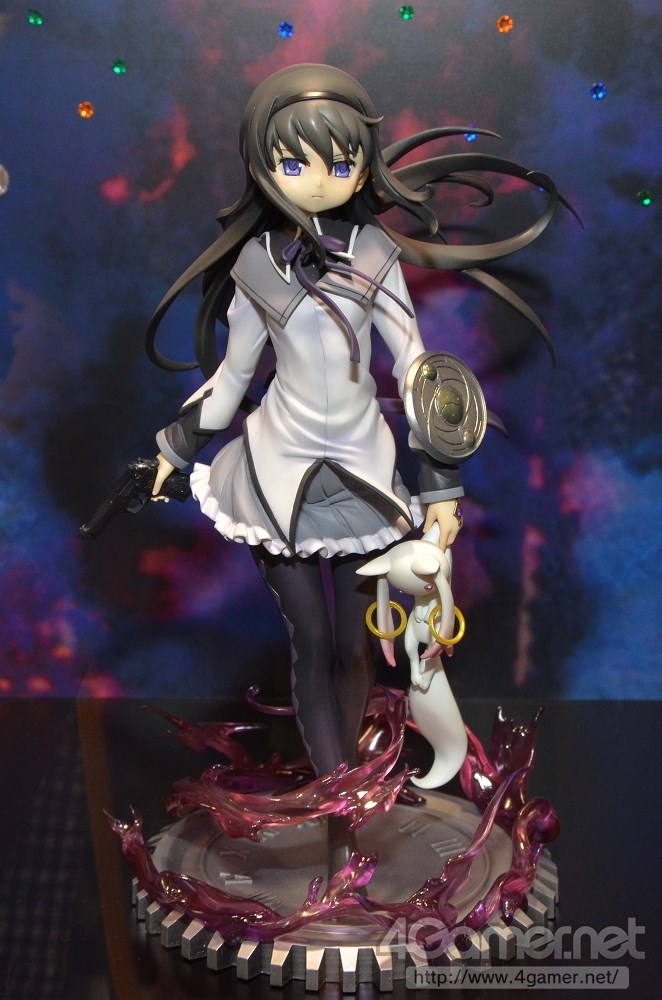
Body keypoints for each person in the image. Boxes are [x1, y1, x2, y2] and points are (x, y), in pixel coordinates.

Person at [145, 64, 561, 867]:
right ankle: (340, 801)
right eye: (293, 162)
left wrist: (442, 488)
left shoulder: (374, 250)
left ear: (364, 167)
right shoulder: (255, 265)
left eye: (339, 163)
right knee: (310, 638)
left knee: (355, 647)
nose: (317, 178)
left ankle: (348, 809)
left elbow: (418, 368)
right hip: (277, 472)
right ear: (260, 166)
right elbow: (233, 377)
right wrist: (174, 447)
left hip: (364, 474)